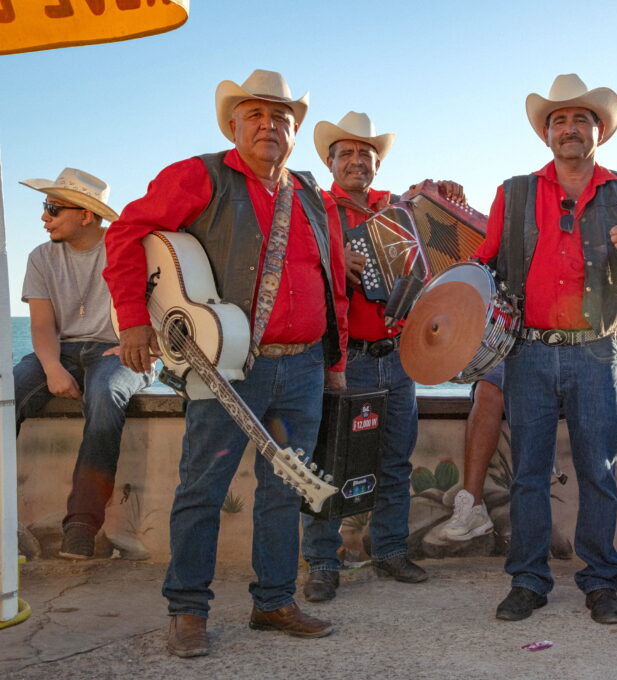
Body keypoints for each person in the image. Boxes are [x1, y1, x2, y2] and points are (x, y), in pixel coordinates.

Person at [104, 69, 348, 657]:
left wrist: (333, 360)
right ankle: (187, 612)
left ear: (295, 131)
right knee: (203, 488)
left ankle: (273, 602)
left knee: (283, 490)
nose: (269, 126)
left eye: (281, 118)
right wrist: (135, 318)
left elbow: (332, 277)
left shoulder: (310, 192)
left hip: (304, 368)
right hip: (227, 366)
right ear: (234, 124)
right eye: (256, 115)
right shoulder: (201, 175)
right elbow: (128, 233)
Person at [475, 74, 617, 624]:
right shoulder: (512, 192)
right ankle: (529, 580)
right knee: (528, 474)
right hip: (528, 352)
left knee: (598, 470)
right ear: (547, 135)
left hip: (596, 353)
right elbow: (480, 263)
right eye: (559, 120)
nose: (569, 128)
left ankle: (600, 581)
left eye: (580, 119)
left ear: (599, 131)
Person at [300, 111, 467, 601]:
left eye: (365, 155)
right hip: (341, 357)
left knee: (395, 461)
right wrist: (333, 261)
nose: (356, 161)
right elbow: (290, 268)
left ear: (376, 165)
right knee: (328, 464)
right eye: (346, 153)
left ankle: (391, 550)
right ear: (330, 162)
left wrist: (448, 193)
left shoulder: (399, 208)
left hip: (396, 355)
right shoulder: (315, 210)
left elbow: (444, 230)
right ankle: (322, 563)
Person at [13, 168, 151, 560]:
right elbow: (41, 327)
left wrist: (136, 341)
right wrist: (53, 369)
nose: (44, 217)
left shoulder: (128, 247)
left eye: (53, 208)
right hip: (61, 349)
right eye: (45, 207)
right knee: (9, 392)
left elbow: (163, 302)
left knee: (106, 395)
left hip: (118, 349)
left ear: (87, 215)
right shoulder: (41, 257)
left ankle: (82, 525)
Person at [441, 356, 617, 550]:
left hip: (594, 352)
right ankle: (472, 505)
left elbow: (616, 323)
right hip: (529, 351)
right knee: (487, 389)